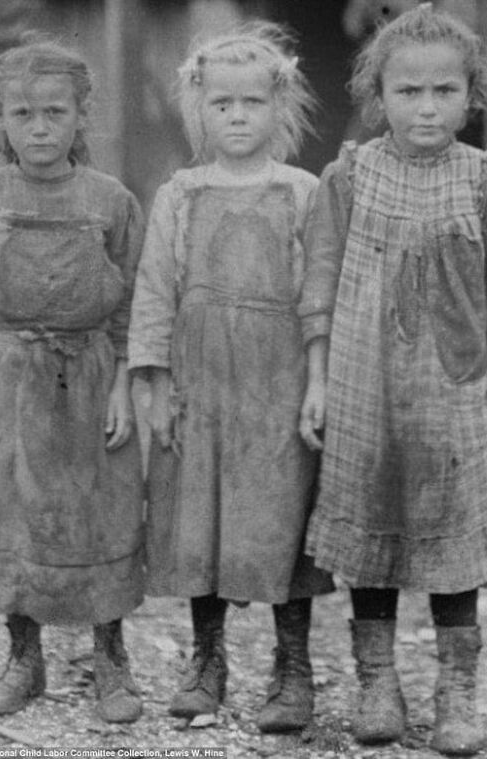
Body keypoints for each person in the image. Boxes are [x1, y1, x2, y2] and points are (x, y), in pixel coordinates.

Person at [298, 5, 487, 756]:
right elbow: (320, 283)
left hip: (453, 390)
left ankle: (455, 693)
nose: (427, 107)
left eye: (443, 91)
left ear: (470, 97)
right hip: (362, 384)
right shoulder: (350, 173)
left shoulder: (485, 179)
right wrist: (316, 381)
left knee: (451, 540)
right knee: (371, 530)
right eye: (409, 92)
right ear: (379, 95)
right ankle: (378, 682)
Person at [0, 39, 145, 724]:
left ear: (84, 116)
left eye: (56, 111)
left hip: (88, 376)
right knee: (10, 513)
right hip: (2, 379)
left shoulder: (111, 201)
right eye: (23, 113)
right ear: (0, 121)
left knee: (98, 512)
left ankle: (111, 656)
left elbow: (137, 301)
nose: (40, 127)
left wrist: (123, 387)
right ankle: (24, 658)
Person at [128, 22, 334, 733]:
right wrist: (152, 383)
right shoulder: (180, 194)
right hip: (201, 383)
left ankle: (293, 665)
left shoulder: (303, 192)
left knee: (282, 517)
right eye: (222, 104)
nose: (238, 115)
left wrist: (317, 380)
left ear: (280, 106)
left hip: (276, 385)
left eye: (252, 101)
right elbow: (154, 290)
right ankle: (207, 659)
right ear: (199, 108)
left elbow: (319, 297)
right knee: (201, 520)